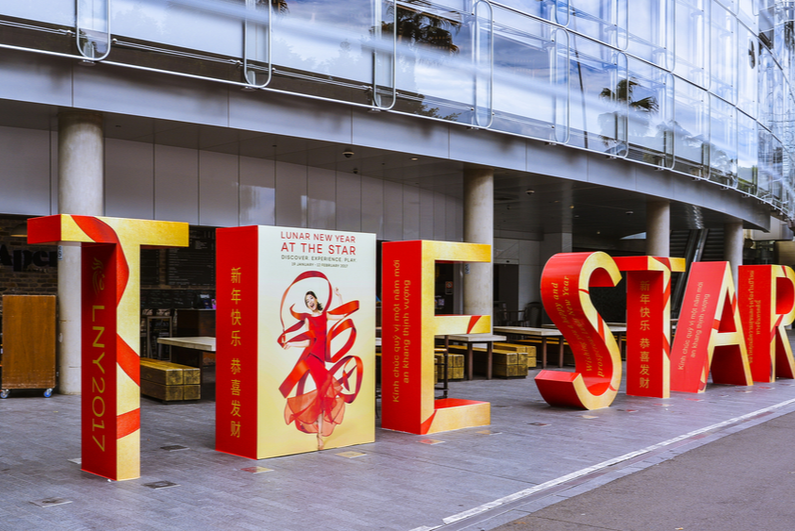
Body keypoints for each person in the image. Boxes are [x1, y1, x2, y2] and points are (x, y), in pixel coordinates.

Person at [279, 277, 361, 450]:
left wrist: (339, 296)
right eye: (307, 301)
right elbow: (309, 341)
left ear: (316, 299)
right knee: (325, 391)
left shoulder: (326, 315)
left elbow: (343, 313)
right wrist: (291, 343)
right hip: (312, 358)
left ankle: (319, 432)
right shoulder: (309, 319)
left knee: (323, 395)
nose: (310, 302)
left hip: (321, 360)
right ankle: (319, 437)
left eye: (311, 299)